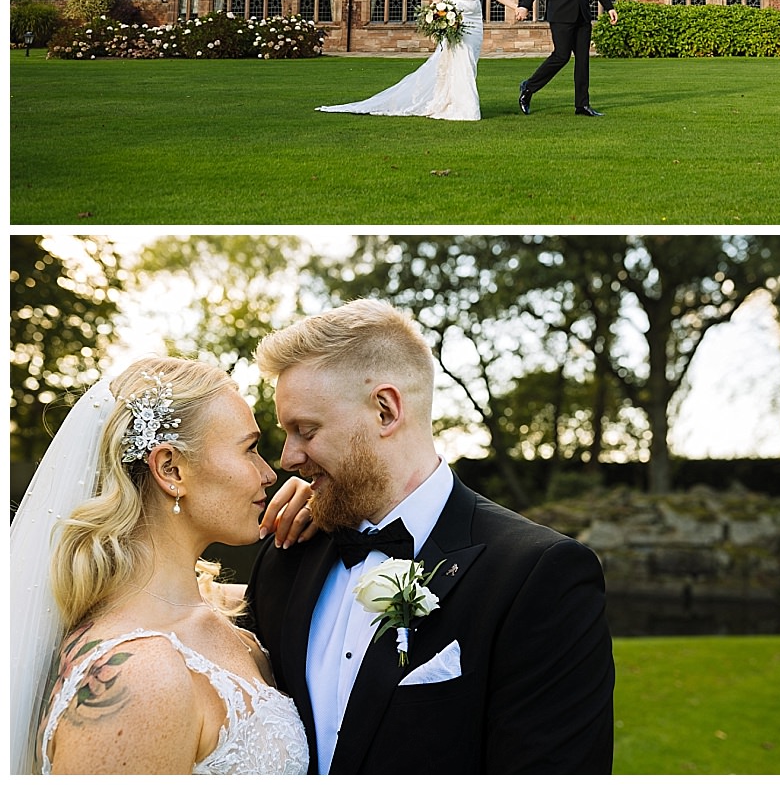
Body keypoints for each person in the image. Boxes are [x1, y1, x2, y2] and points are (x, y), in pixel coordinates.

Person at [246, 298, 615, 774]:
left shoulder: (539, 575)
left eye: (305, 431)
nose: (288, 459)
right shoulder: (287, 552)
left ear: (385, 410)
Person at [11, 358, 315, 774]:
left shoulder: (212, 614)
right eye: (250, 449)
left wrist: (330, 511)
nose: (268, 473)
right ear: (171, 469)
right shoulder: (141, 676)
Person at [318, 0, 519, 120]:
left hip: (475, 21)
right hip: (456, 19)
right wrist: (440, 17)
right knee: (461, 62)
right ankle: (464, 109)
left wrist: (515, 7)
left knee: (470, 63)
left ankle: (453, 102)